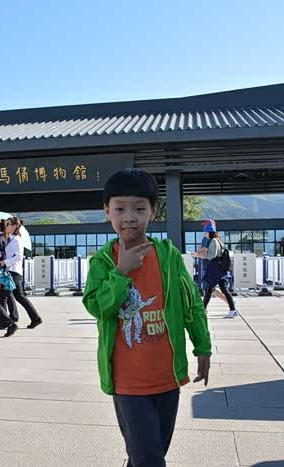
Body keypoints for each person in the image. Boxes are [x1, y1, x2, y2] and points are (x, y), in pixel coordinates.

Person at [82, 168, 211, 467]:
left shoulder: (168, 256)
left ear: (153, 211)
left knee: (150, 455)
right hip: (127, 382)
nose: (129, 217)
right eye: (120, 209)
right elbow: (97, 307)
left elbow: (191, 303)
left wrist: (202, 346)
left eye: (139, 209)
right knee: (148, 458)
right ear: (107, 211)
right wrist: (120, 272)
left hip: (167, 378)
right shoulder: (103, 262)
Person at [2, 217, 42, 329]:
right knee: (18, 296)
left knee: (5, 296)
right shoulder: (11, 239)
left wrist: (5, 262)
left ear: (14, 226)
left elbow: (19, 256)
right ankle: (35, 318)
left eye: (8, 224)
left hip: (14, 272)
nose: (6, 226)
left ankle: (6, 321)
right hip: (12, 271)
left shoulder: (17, 240)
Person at [194, 222, 239, 319]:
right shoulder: (218, 240)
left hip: (215, 269)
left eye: (205, 232)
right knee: (222, 289)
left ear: (209, 232)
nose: (204, 233)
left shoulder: (213, 241)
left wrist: (200, 255)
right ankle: (233, 310)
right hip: (221, 269)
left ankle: (203, 310)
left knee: (209, 289)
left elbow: (212, 255)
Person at [0, 219, 15, 321]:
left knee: (1, 296)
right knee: (7, 294)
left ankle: (3, 319)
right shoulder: (4, 238)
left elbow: (0, 254)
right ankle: (13, 316)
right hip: (3, 268)